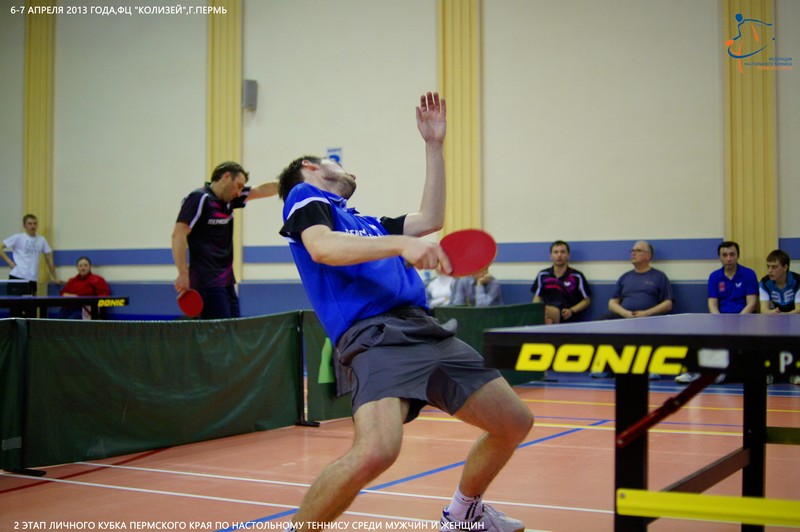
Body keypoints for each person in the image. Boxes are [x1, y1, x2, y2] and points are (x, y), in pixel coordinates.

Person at [276, 92, 533, 531]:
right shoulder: (305, 197)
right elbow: (322, 248)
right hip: (375, 336)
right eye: (334, 162)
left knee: (513, 421)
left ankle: (464, 514)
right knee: (377, 450)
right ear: (311, 168)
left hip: (425, 328)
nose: (348, 169)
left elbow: (431, 217)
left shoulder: (369, 222)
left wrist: (434, 145)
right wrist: (401, 245)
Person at [171, 161, 278, 319]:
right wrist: (182, 273)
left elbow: (262, 190)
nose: (240, 192)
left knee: (233, 329)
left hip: (227, 282)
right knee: (220, 332)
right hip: (206, 282)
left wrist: (295, 180)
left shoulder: (230, 201)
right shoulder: (199, 198)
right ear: (226, 177)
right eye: (239, 186)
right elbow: (178, 234)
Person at [675, 241, 758, 384]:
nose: (728, 258)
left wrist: (738, 320)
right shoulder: (714, 276)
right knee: (696, 335)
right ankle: (693, 371)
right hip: (720, 319)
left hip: (744, 320)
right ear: (720, 257)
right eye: (724, 255)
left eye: (732, 254)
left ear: (738, 256)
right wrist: (719, 321)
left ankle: (721, 372)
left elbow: (752, 303)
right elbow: (712, 303)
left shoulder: (749, 274)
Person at [593, 241, 673, 380]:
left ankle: (653, 367)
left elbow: (668, 303)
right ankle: (606, 367)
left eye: (638, 250)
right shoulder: (625, 277)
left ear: (648, 256)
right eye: (632, 250)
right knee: (601, 322)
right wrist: (625, 314)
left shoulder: (659, 277)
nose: (633, 253)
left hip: (650, 318)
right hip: (625, 317)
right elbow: (612, 303)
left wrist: (646, 314)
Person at [759, 249, 800, 386]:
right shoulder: (765, 283)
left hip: (795, 320)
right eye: (768, 266)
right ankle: (769, 373)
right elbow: (764, 309)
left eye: (774, 267)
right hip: (774, 320)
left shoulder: (797, 281)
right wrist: (771, 313)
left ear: (785, 267)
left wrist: (784, 316)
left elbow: (799, 309)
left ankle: (795, 373)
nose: (770, 270)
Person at [530, 240, 591, 324]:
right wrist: (535, 310)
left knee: (546, 312)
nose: (559, 255)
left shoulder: (576, 276)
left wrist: (572, 310)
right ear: (551, 256)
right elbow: (537, 297)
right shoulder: (543, 275)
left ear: (568, 255)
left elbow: (586, 301)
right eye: (556, 252)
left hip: (566, 314)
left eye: (562, 252)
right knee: (546, 319)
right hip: (547, 312)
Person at [1, 214, 61, 298]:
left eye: (35, 223)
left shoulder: (41, 240)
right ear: (24, 225)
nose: (32, 226)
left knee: (31, 304)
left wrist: (55, 277)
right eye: (29, 224)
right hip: (18, 277)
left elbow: (49, 259)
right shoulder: (18, 237)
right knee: (15, 305)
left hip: (32, 279)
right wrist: (9, 262)